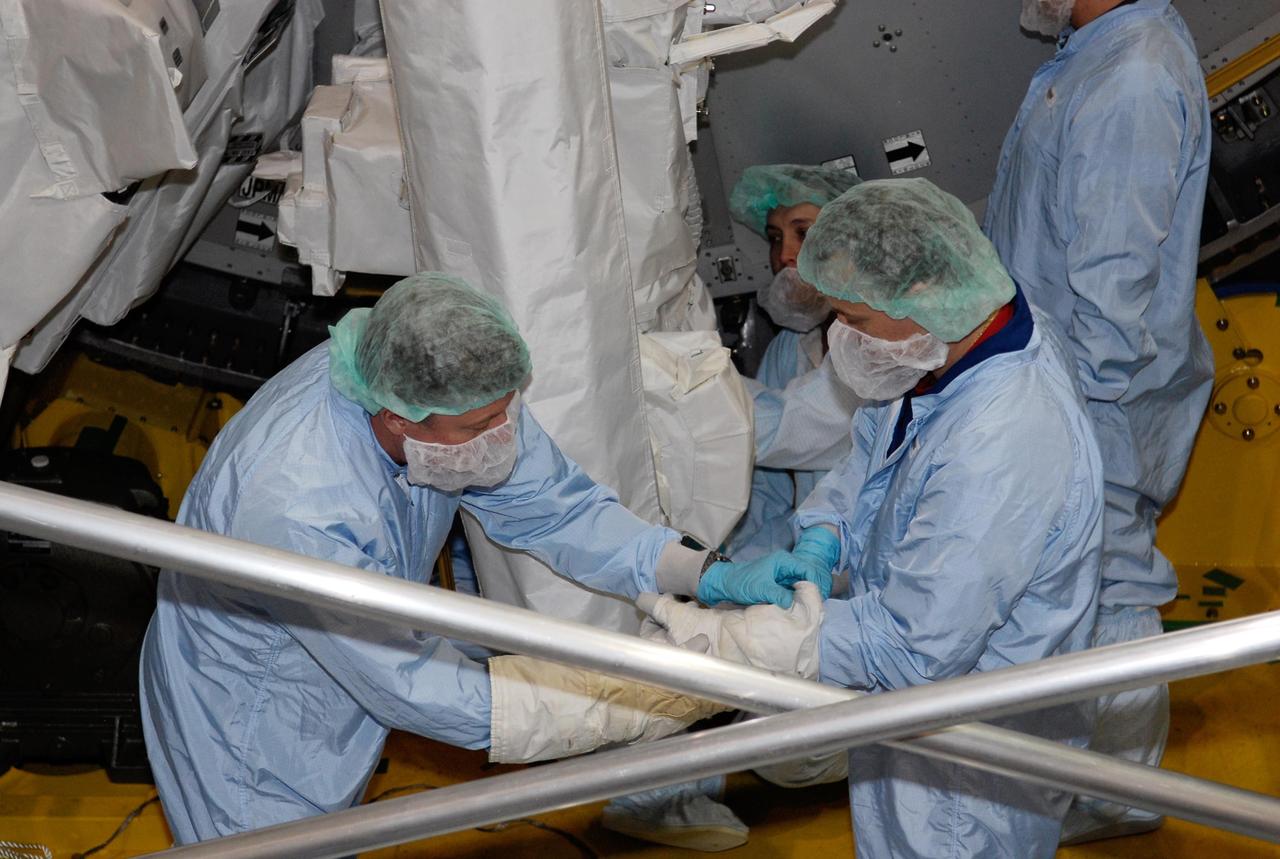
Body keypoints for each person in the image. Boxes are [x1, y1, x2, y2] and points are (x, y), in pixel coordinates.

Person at [138, 272, 822, 843]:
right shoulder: (299, 498)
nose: (503, 436)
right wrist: (650, 696)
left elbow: (561, 508)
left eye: (507, 412)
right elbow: (425, 691)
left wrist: (700, 572)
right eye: (479, 427)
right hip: (250, 705)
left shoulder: (446, 388)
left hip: (347, 668)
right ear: (399, 417)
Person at [717, 178, 1104, 858]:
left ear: (923, 295)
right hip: (912, 725)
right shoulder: (947, 345)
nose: (843, 340)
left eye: (857, 323)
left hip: (968, 766)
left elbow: (912, 645)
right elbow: (869, 453)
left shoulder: (1006, 435)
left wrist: (757, 638)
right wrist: (824, 535)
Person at [985, 0, 1213, 842]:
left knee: (1112, 582)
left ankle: (1119, 793)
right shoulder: (1097, 54)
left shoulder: (1135, 72)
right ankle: (1086, 775)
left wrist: (1068, 420)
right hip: (1060, 388)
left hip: (1094, 403)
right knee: (1079, 582)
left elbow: (1112, 289)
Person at [724, 164, 865, 561]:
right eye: (775, 238)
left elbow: (792, 429)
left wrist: (681, 385)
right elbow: (768, 489)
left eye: (803, 233)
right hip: (819, 565)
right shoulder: (788, 348)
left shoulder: (884, 347)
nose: (784, 255)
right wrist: (720, 560)